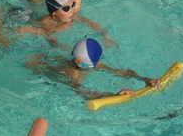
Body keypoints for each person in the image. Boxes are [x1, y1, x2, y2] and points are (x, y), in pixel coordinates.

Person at [25, 38, 160, 100]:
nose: (101, 62)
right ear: (93, 65)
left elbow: (123, 72)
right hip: (33, 65)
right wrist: (114, 95)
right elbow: (87, 94)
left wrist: (145, 79)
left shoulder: (83, 63)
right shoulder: (72, 77)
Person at [17, 0, 115, 47]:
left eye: (72, 5)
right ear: (54, 12)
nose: (72, 10)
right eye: (66, 8)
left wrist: (105, 36)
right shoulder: (47, 24)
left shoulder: (72, 15)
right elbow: (54, 44)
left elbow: (89, 22)